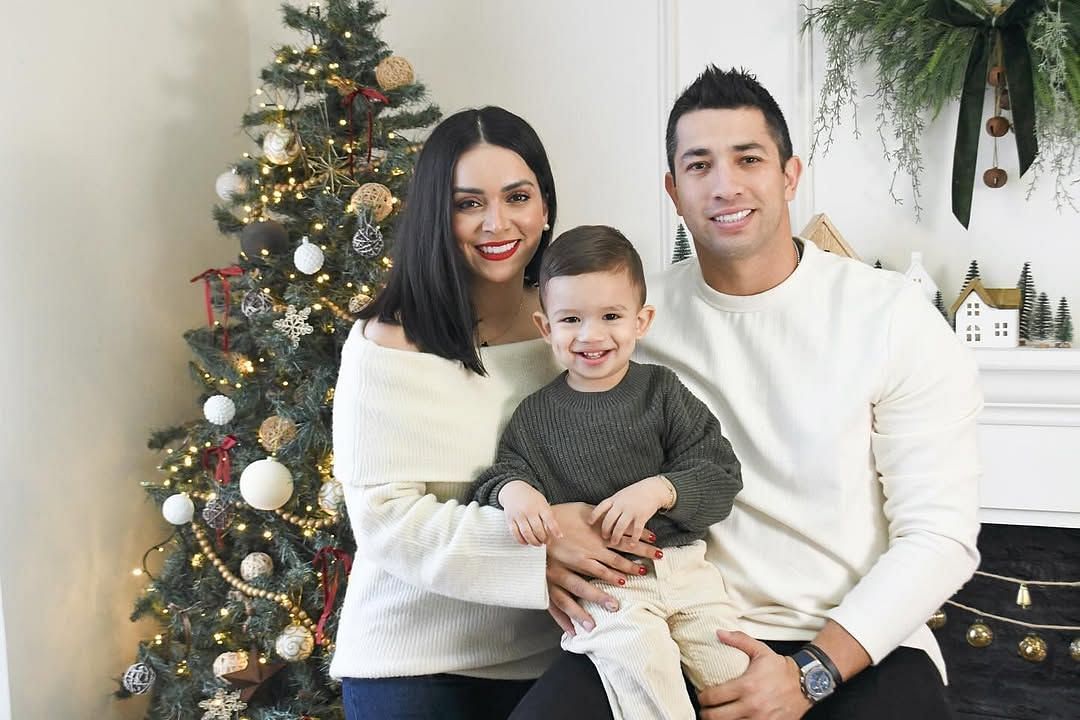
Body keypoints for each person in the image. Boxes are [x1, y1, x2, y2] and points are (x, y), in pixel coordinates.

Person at [511, 67, 982, 720]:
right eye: (699, 165)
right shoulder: (629, 323)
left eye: (748, 159)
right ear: (674, 192)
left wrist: (810, 673)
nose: (725, 184)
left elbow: (940, 536)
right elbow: (552, 440)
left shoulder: (892, 317)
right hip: (671, 621)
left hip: (852, 644)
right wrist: (552, 531)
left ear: (789, 174)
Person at [329, 106, 659, 720]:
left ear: (545, 208)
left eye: (517, 196)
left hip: (564, 655)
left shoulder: (576, 329)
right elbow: (385, 522)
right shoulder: (386, 346)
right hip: (414, 663)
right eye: (468, 203)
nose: (496, 222)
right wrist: (539, 550)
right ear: (436, 214)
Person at [472, 225, 748, 720]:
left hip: (685, 569)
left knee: (736, 672)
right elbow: (502, 474)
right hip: (608, 588)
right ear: (545, 327)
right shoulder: (536, 415)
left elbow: (720, 471)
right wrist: (514, 491)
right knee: (644, 676)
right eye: (571, 319)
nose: (590, 335)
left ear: (642, 321)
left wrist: (661, 489)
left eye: (611, 316)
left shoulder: (661, 392)